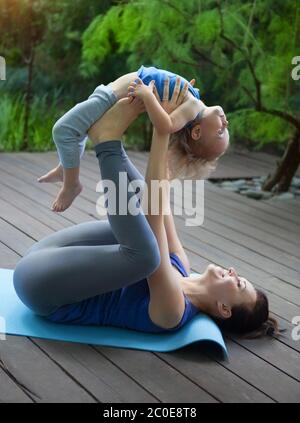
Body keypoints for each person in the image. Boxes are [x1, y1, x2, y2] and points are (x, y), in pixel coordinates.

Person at [13, 79, 277, 338]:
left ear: (224, 309)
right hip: (45, 255)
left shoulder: (173, 312)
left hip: (41, 289)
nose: (232, 271)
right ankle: (107, 138)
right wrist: (167, 116)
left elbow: (152, 212)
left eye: (238, 283)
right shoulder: (181, 264)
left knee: (147, 254)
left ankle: (107, 140)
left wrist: (160, 130)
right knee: (150, 226)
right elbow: (155, 202)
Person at [38, 65, 229, 212]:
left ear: (197, 133)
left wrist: (148, 96)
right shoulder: (192, 103)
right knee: (78, 130)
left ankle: (72, 184)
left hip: (110, 97)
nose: (225, 124)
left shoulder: (194, 106)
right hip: (108, 92)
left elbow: (166, 125)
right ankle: (66, 168)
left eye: (221, 131)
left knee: (62, 130)